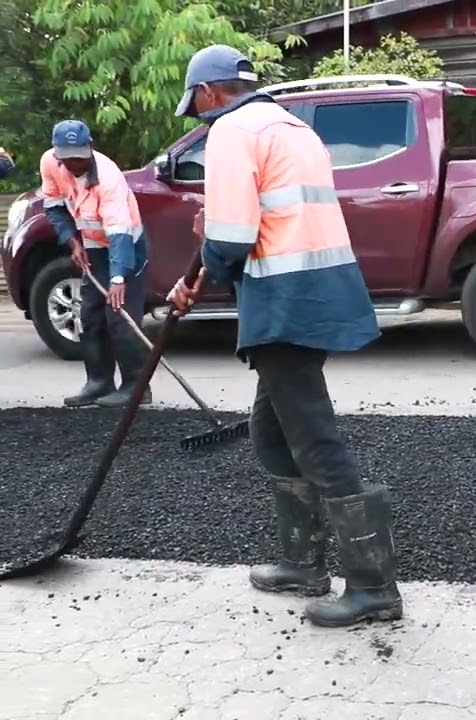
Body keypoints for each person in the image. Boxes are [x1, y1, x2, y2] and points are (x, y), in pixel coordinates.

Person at [165, 44, 400, 628]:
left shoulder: (231, 132)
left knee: (315, 438)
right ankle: (303, 563)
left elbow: (234, 235)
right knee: (274, 431)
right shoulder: (294, 127)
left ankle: (374, 587)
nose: (196, 112)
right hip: (316, 289)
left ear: (210, 92)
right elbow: (262, 218)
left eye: (195, 101)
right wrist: (207, 250)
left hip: (283, 296)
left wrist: (204, 261)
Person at [38, 120, 151, 408]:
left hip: (127, 248)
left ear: (90, 148)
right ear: (57, 154)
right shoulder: (50, 164)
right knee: (89, 316)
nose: (74, 163)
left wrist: (118, 280)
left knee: (119, 316)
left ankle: (136, 387)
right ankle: (98, 382)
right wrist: (72, 242)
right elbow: (53, 208)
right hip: (92, 247)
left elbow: (120, 234)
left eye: (79, 155)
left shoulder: (109, 179)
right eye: (67, 157)